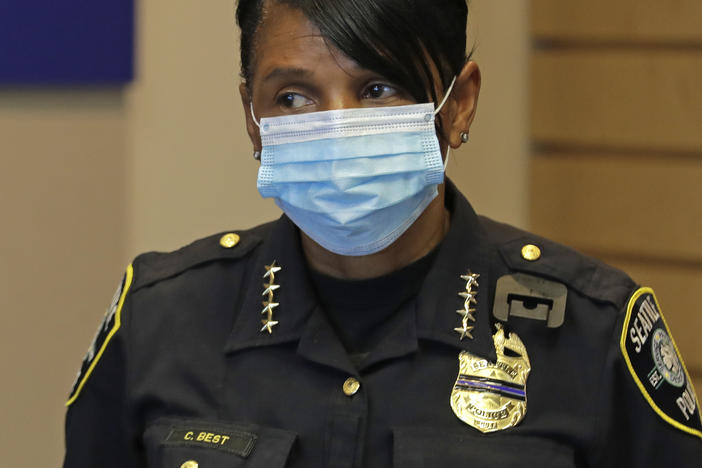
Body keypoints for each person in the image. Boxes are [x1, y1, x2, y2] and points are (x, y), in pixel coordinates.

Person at [63, 0, 702, 466]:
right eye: (292, 98)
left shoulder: (591, 335)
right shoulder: (160, 320)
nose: (338, 129)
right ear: (251, 119)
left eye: (378, 88)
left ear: (459, 104)